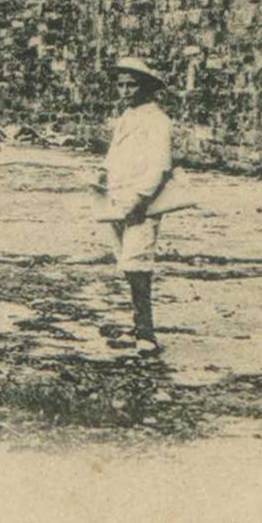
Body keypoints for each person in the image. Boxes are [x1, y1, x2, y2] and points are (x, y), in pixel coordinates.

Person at [97, 57, 176, 355]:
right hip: (118, 198)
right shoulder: (127, 118)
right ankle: (137, 326)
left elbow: (159, 166)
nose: (126, 91)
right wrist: (102, 174)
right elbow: (115, 154)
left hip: (142, 203)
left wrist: (139, 199)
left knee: (138, 265)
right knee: (127, 266)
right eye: (121, 85)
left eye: (132, 85)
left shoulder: (158, 120)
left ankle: (147, 334)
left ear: (145, 88)